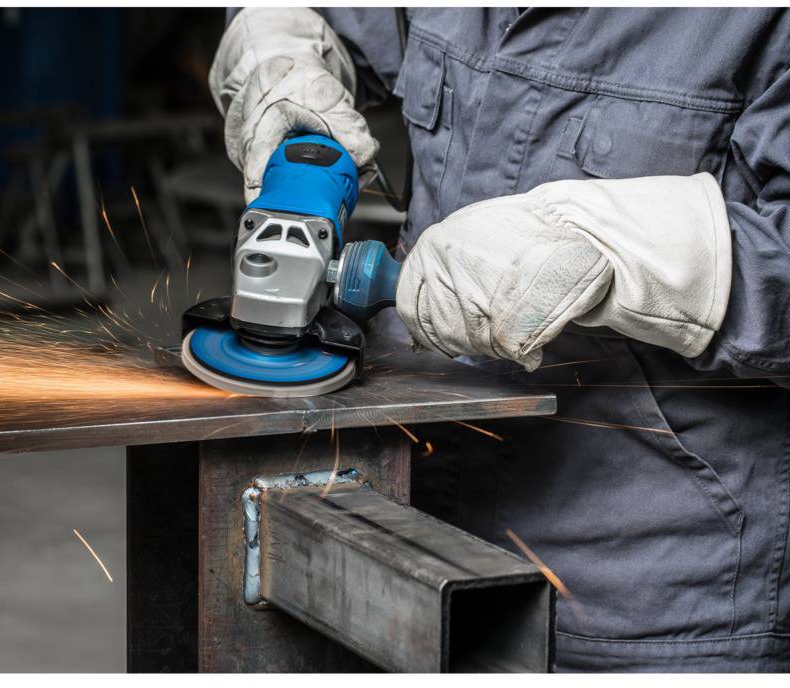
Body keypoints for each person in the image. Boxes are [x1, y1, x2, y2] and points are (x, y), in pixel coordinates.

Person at [209, 8, 790, 672]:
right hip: (400, 525)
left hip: (647, 599)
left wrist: (627, 255)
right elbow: (326, 18)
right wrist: (281, 58)